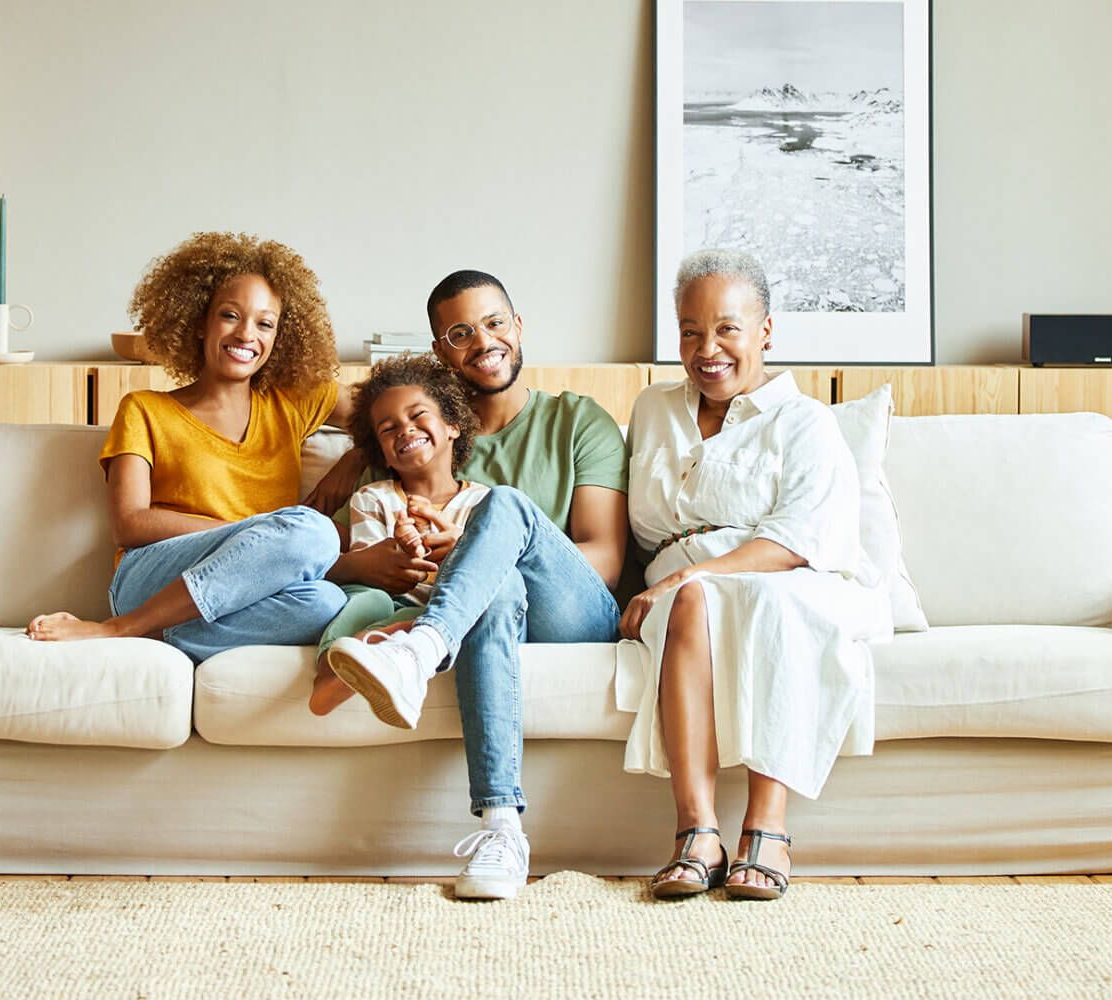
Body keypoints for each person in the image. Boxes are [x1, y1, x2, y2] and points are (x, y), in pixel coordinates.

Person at [313, 270, 629, 900]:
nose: (483, 341)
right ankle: (501, 827)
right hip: (491, 615)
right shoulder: (424, 440)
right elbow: (350, 412)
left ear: (518, 327)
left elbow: (605, 561)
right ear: (440, 353)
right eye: (459, 333)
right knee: (498, 588)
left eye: (494, 322)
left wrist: (467, 551)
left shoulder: (577, 420)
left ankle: (419, 651)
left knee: (506, 509)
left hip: (575, 613)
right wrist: (352, 456)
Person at [620, 249, 890, 901]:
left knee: (745, 602)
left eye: (726, 328)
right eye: (690, 330)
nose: (707, 348)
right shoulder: (654, 409)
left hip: (785, 575)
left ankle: (767, 829)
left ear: (765, 330)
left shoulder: (804, 422)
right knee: (691, 603)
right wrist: (666, 584)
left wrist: (684, 579)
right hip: (682, 590)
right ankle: (698, 832)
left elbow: (801, 539)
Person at [26, 232, 349, 661]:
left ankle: (162, 634)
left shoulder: (293, 401)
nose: (246, 334)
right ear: (200, 321)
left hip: (239, 590)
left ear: (280, 337)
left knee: (327, 603)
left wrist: (357, 456)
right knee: (314, 533)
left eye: (265, 323)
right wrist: (253, 533)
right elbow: (130, 523)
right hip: (150, 577)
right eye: (230, 315)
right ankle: (120, 626)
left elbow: (390, 415)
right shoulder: (144, 409)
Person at [310, 355, 490, 715]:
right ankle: (330, 672)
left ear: (453, 425)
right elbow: (370, 566)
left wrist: (455, 546)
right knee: (366, 602)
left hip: (440, 607)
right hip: (385, 597)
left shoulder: (484, 503)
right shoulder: (372, 496)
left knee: (431, 615)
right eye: (388, 429)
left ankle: (385, 644)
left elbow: (487, 569)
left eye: (418, 415)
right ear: (384, 455)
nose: (405, 429)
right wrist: (403, 544)